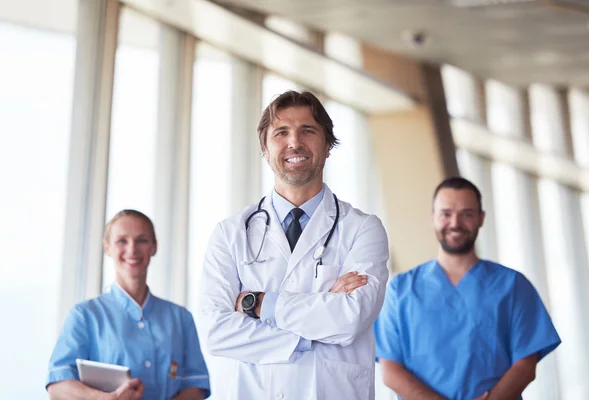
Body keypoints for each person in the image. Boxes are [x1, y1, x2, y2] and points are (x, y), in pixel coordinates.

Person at [199, 90, 390, 400]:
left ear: (328, 145)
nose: (294, 143)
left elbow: (351, 317)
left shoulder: (363, 229)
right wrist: (314, 329)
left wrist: (259, 305)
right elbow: (217, 332)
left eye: (308, 130)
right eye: (282, 132)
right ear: (264, 147)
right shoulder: (230, 233)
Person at [374, 177, 561, 400]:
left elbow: (525, 365)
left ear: (481, 218)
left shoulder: (513, 286)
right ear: (433, 218)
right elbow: (390, 369)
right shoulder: (400, 290)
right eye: (446, 214)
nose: (455, 223)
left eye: (467, 214)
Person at [46, 209, 211, 400]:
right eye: (122, 241)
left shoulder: (180, 318)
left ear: (154, 247)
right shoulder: (85, 315)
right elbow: (57, 386)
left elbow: (196, 385)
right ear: (107, 247)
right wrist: (107, 399)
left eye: (142, 240)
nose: (132, 249)